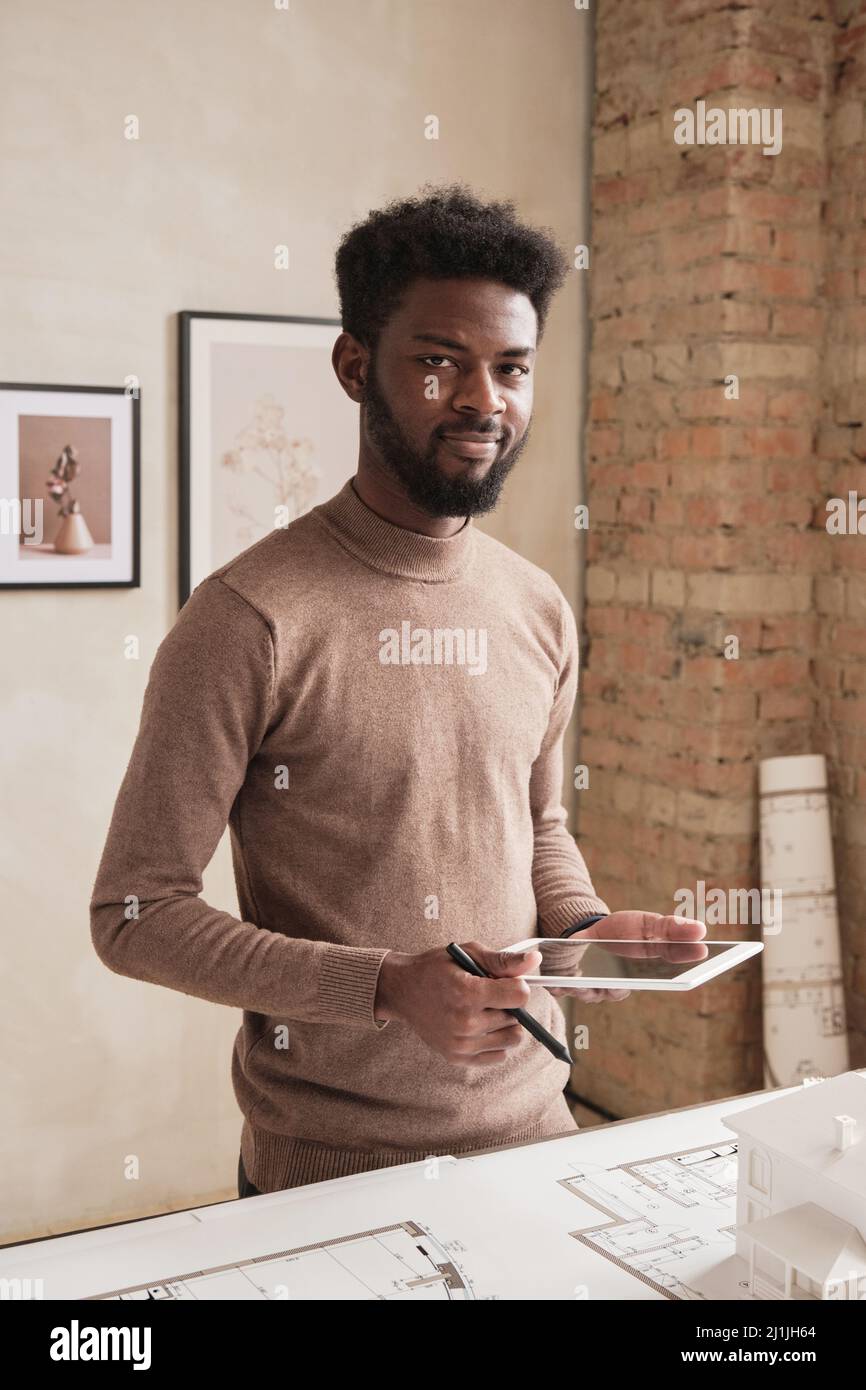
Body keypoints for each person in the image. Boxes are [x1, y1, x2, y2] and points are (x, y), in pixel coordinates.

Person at [90, 183, 705, 1199]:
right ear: (353, 367)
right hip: (330, 1181)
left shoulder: (536, 605)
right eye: (436, 361)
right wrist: (380, 988)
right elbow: (132, 911)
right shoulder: (247, 617)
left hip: (538, 1142)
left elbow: (536, 823)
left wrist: (582, 927)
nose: (481, 399)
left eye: (509, 367)